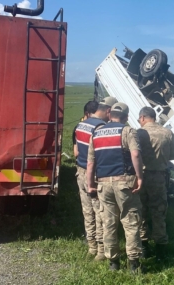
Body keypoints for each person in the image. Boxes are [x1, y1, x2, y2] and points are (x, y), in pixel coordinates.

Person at [86, 102, 145, 273]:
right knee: (130, 221)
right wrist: (139, 177)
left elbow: (90, 163)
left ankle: (113, 262)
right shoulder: (127, 131)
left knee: (109, 223)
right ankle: (133, 263)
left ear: (110, 115)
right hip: (124, 182)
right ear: (126, 117)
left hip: (103, 184)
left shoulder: (96, 133)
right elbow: (135, 154)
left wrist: (91, 185)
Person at [73, 97, 117, 261]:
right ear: (108, 111)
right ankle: (100, 250)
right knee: (100, 212)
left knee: (87, 212)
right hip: (95, 175)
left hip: (81, 172)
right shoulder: (100, 128)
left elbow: (77, 151)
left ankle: (91, 246)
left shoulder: (81, 124)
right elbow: (103, 155)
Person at [136, 107, 174, 259]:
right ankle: (161, 249)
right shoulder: (167, 133)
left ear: (142, 118)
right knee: (159, 211)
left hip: (141, 177)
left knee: (141, 211)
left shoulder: (138, 133)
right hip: (160, 177)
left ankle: (144, 247)